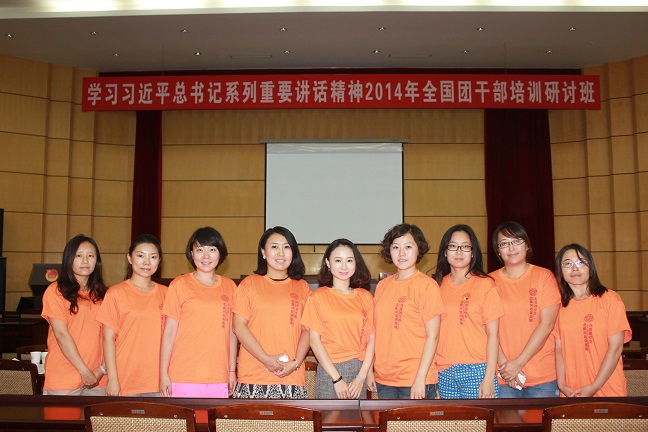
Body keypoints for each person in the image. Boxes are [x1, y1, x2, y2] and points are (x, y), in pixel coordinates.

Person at [233, 226, 311, 399]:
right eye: (274, 247)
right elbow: (239, 326)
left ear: (293, 253)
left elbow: (307, 330)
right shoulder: (248, 284)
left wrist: (296, 363)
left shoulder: (302, 287)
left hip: (291, 376)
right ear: (263, 252)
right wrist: (265, 359)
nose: (281, 253)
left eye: (286, 247)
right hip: (253, 375)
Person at [159, 227, 237, 398]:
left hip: (218, 374)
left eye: (212, 250)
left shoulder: (230, 287)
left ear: (220, 254)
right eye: (200, 250)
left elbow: (232, 333)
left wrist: (232, 371)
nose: (206, 256)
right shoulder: (179, 285)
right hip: (182, 374)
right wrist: (163, 373)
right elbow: (169, 332)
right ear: (192, 254)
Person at [373, 223, 446, 399]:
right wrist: (370, 371)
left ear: (418, 249)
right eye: (395, 247)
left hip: (415, 379)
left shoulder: (427, 286)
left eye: (408, 247)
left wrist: (420, 378)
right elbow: (376, 332)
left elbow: (433, 336)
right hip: (384, 379)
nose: (401, 253)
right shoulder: (382, 286)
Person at [490, 222, 561, 398]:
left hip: (542, 376)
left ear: (527, 245)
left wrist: (518, 363)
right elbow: (487, 329)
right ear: (498, 251)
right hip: (503, 376)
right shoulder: (489, 282)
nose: (511, 248)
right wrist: (506, 367)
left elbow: (547, 324)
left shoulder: (544, 277)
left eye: (516, 241)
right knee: (505, 418)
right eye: (504, 243)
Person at [433, 224, 503, 399]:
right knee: (448, 419)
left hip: (477, 369)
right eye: (453, 246)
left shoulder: (486, 284)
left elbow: (493, 335)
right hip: (443, 371)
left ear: (473, 253)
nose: (458, 251)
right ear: (445, 252)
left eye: (465, 246)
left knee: (478, 418)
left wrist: (489, 377)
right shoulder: (435, 286)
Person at [301, 238, 376, 399]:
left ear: (356, 263)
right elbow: (314, 341)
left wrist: (362, 376)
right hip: (330, 372)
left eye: (349, 260)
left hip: (359, 374)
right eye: (338, 260)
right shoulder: (317, 297)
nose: (344, 266)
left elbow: (371, 338)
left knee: (357, 416)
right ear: (328, 263)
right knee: (329, 415)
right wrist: (336, 379)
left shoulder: (365, 297)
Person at [554, 243, 631, 397]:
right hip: (572, 391)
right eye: (567, 263)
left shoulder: (610, 299)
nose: (574, 268)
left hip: (608, 389)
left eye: (581, 262)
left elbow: (616, 348)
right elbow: (559, 350)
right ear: (561, 272)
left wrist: (594, 387)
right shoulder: (558, 306)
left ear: (591, 268)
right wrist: (562, 385)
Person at [96, 234, 167, 397]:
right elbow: (107, 339)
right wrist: (112, 379)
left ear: (159, 261)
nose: (147, 262)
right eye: (140, 256)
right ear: (129, 258)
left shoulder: (167, 294)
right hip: (125, 380)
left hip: (157, 382)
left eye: (153, 257)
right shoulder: (116, 293)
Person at [41, 234, 108, 395]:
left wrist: (102, 369)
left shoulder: (103, 294)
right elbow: (61, 335)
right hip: (64, 377)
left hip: (98, 377)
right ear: (69, 259)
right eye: (79, 255)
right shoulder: (56, 291)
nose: (85, 261)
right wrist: (84, 371)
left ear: (97, 261)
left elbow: (111, 336)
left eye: (90, 256)